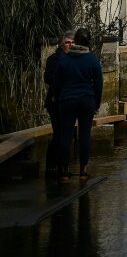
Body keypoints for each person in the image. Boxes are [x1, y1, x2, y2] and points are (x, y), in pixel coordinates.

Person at [54, 27, 103, 181]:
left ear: (75, 40)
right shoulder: (92, 59)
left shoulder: (65, 59)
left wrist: (58, 97)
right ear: (89, 42)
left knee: (65, 135)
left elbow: (56, 82)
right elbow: (99, 84)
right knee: (84, 136)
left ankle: (64, 172)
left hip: (67, 100)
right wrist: (96, 103)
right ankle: (83, 171)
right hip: (86, 100)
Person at [43, 31, 75, 178]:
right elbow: (48, 78)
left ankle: (60, 165)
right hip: (56, 101)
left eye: (73, 42)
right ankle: (53, 165)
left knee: (64, 133)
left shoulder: (74, 59)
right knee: (59, 134)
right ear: (61, 44)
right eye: (68, 42)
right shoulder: (54, 59)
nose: (71, 45)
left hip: (68, 100)